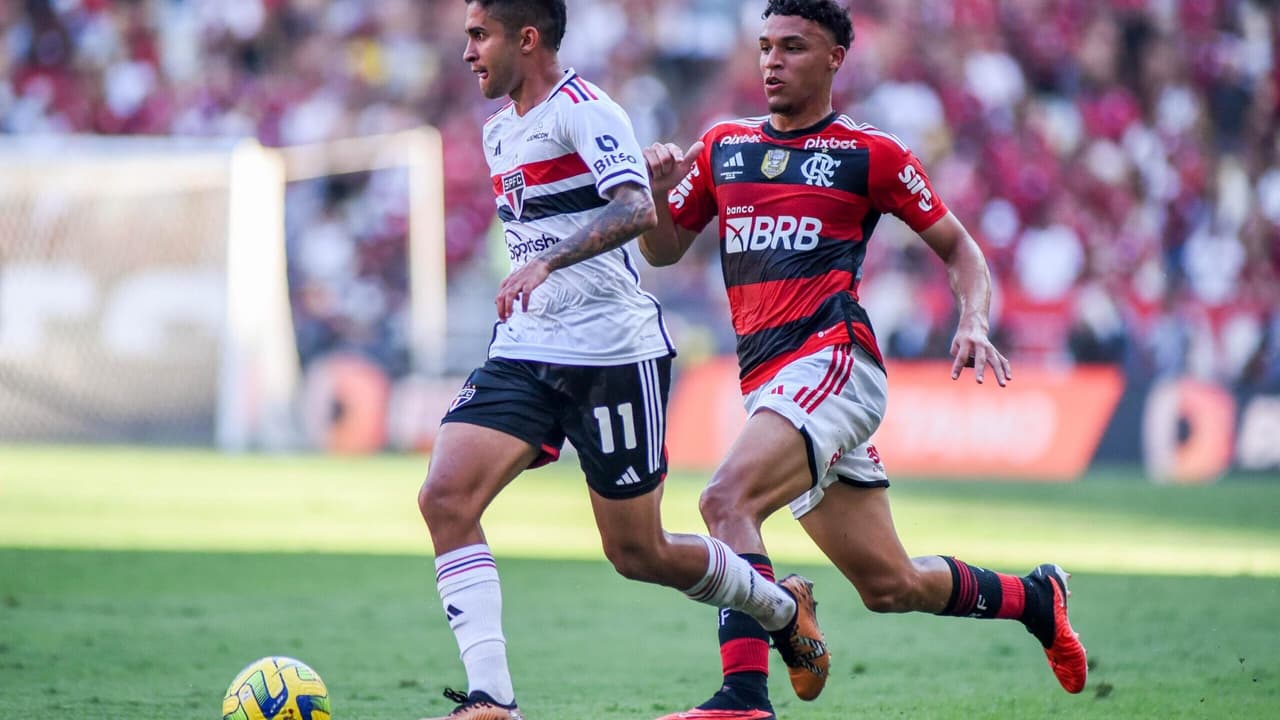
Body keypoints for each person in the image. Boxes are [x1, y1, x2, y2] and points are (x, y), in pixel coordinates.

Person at [638, 1, 1089, 718]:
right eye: (764, 47)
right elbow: (662, 248)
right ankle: (1037, 599)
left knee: (726, 500)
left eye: (792, 46)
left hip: (836, 364)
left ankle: (744, 696)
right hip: (770, 383)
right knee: (891, 586)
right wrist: (659, 197)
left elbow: (961, 252)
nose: (772, 61)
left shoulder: (869, 154)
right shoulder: (723, 144)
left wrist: (974, 320)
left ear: (834, 59)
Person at [416, 2, 826, 718]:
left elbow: (638, 210)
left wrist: (547, 261)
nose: (468, 52)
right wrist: (539, 274)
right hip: (527, 348)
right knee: (444, 497)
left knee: (638, 553)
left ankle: (781, 608)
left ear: (527, 37)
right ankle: (493, 700)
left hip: (612, 353)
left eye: (479, 36)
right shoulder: (498, 132)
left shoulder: (587, 110)